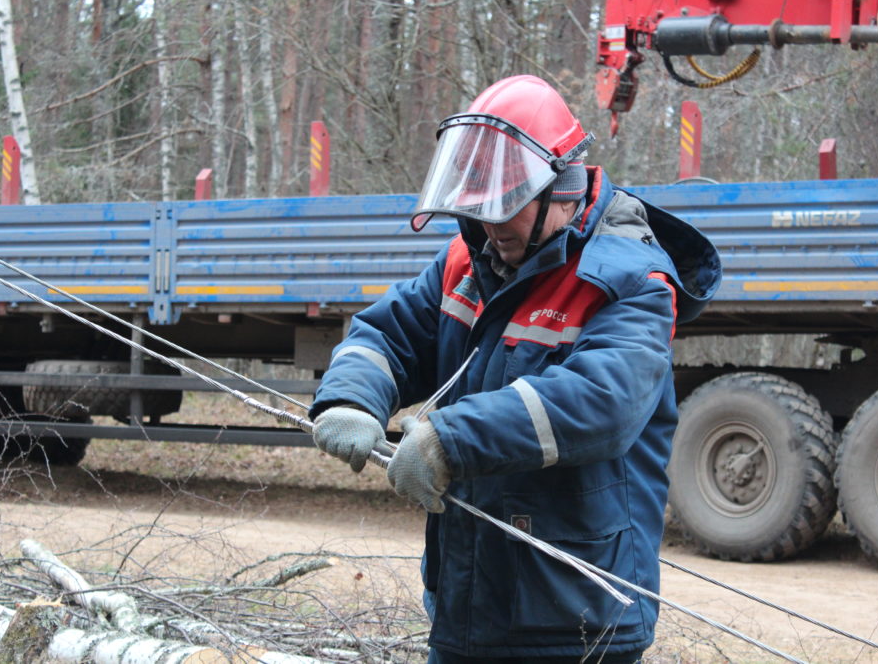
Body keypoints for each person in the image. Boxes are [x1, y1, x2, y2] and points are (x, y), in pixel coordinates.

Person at [308, 75, 721, 663]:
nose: (491, 228)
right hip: (466, 606)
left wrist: (450, 441)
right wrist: (350, 397)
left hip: (575, 622)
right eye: (480, 208)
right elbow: (387, 333)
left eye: (506, 208)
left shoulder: (632, 280)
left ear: (564, 188)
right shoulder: (469, 261)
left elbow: (599, 404)